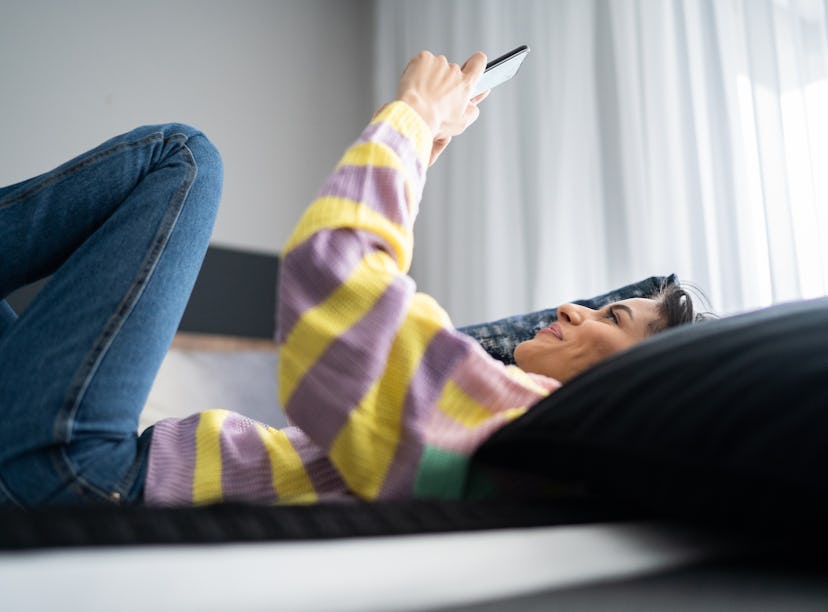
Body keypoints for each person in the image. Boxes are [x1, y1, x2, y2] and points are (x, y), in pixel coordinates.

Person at [0, 51, 697, 508]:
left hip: (91, 479)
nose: (578, 307)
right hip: (113, 471)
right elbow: (379, 331)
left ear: (635, 383)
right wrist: (417, 152)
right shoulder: (510, 431)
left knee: (181, 160)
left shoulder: (522, 421)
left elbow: (336, 278)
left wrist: (414, 116)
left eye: (613, 319)